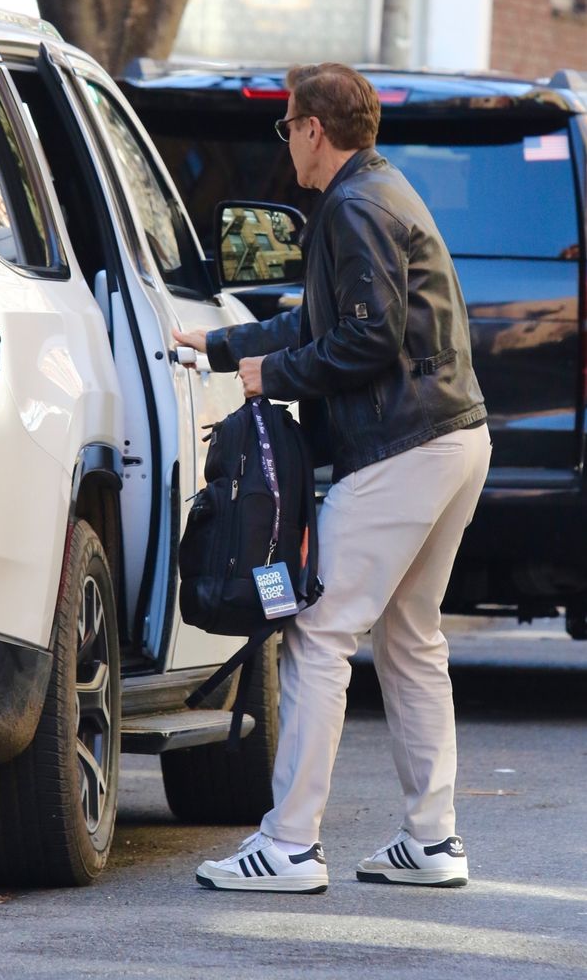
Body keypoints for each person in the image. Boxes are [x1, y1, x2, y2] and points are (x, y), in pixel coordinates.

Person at [174, 63, 491, 895]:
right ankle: (430, 842)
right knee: (411, 640)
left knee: (317, 633)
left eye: (288, 126)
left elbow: (368, 342)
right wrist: (215, 346)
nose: (288, 143)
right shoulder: (381, 191)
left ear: (315, 127)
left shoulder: (352, 206)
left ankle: (288, 847)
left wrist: (270, 372)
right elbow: (329, 321)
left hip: (403, 447)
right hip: (452, 438)